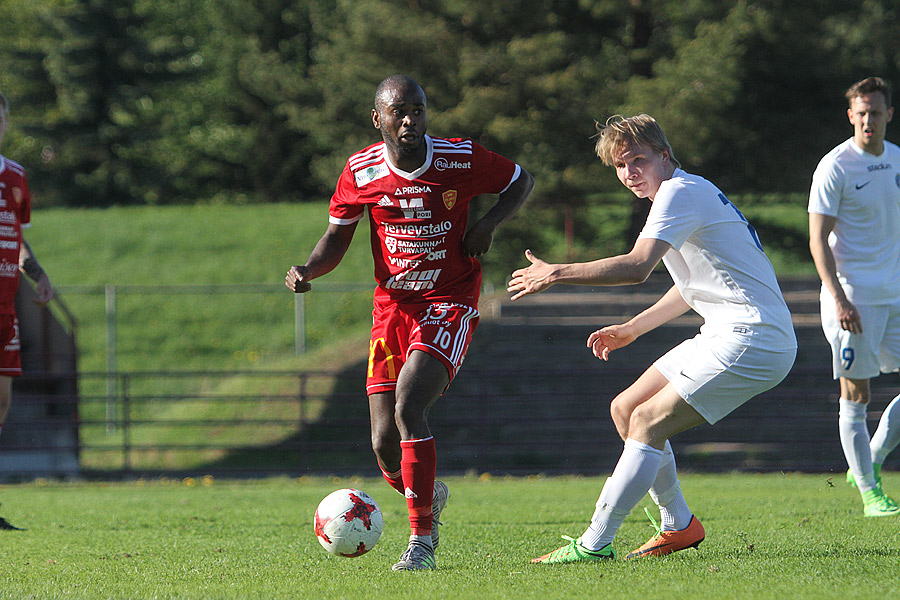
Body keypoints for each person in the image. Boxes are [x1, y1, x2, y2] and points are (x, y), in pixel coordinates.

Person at [508, 114, 796, 563]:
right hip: (729, 330)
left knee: (647, 421)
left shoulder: (679, 193)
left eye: (637, 160)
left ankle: (595, 543)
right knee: (625, 409)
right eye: (620, 167)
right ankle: (679, 525)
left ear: (665, 156)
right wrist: (634, 328)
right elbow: (691, 283)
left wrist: (557, 272)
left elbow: (637, 265)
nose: (629, 174)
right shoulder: (685, 192)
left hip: (755, 336)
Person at [285, 75, 534, 571]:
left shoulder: (459, 158)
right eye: (398, 111)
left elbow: (520, 181)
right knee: (382, 442)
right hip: (392, 307)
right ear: (377, 118)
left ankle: (422, 542)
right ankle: (427, 493)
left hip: (450, 298)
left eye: (417, 110)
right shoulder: (359, 171)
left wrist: (486, 225)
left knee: (409, 403)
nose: (409, 120)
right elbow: (337, 237)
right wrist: (309, 269)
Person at [808, 76, 900, 518]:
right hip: (853, 299)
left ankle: (874, 456)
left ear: (889, 115)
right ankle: (869, 492)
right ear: (851, 116)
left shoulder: (898, 160)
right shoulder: (835, 167)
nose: (869, 120)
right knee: (857, 394)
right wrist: (840, 299)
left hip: (896, 294)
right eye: (861, 113)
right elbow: (817, 239)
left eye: (876, 112)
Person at [0, 91, 56, 530]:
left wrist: (36, 273)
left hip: (5, 309)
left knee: (1, 402)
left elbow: (17, 236)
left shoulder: (15, 176)